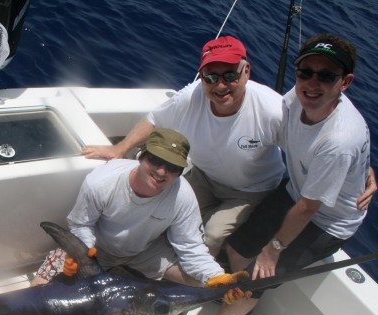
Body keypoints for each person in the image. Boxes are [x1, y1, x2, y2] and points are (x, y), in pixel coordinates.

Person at [171, 33, 372, 315]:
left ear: (345, 82)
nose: (312, 82)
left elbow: (310, 208)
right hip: (297, 193)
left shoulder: (340, 140)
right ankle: (238, 293)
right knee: (235, 248)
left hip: (328, 220)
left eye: (326, 76)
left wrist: (273, 250)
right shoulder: (296, 97)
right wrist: (367, 170)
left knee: (258, 276)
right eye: (306, 71)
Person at [83, 36, 286, 258]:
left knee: (211, 235)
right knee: (161, 211)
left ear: (246, 72)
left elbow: (302, 149)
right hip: (205, 176)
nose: (220, 85)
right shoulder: (192, 95)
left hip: (250, 190)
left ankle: (197, 281)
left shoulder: (273, 109)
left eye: (230, 75)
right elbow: (155, 120)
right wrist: (120, 149)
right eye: (210, 77)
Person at [30, 128, 245, 288]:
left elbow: (190, 246)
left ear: (180, 172)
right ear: (141, 157)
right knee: (39, 287)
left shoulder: (182, 195)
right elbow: (81, 224)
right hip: (98, 249)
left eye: (172, 167)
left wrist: (218, 277)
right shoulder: (102, 182)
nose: (162, 172)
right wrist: (85, 254)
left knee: (203, 283)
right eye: (156, 160)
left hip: (145, 252)